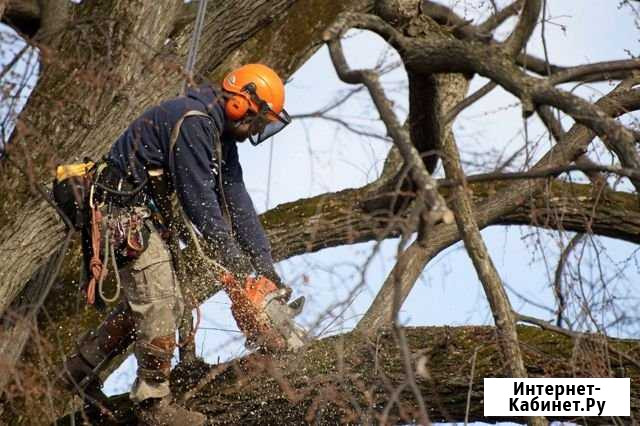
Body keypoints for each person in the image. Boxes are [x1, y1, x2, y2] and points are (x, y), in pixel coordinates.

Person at [59, 64, 293, 425]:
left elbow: (235, 199)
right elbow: (201, 204)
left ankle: (80, 367)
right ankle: (153, 403)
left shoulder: (221, 137)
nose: (256, 130)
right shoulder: (194, 122)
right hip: (124, 211)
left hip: (148, 216)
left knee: (165, 299)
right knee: (160, 302)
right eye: (258, 120)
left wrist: (264, 267)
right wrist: (238, 268)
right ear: (240, 101)